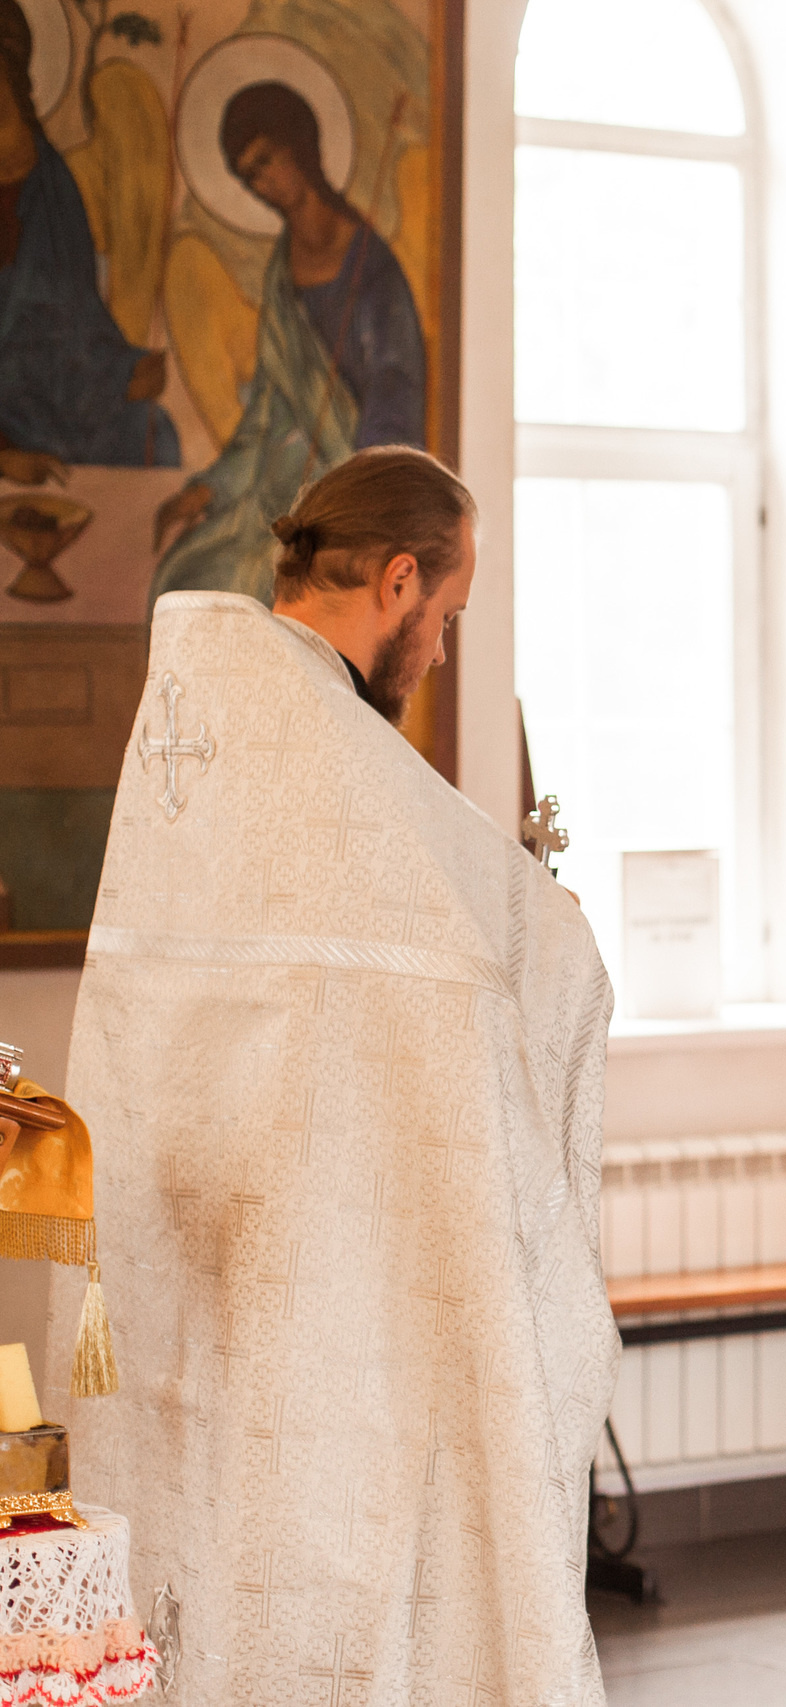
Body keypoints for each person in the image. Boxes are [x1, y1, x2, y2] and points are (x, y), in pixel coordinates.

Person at [62, 446, 618, 1704]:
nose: (438, 651)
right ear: (403, 578)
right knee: (321, 1516)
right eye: (449, 617)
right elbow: (503, 959)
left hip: (179, 1222)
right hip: (305, 1236)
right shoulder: (322, 738)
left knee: (209, 1505)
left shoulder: (205, 709)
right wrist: (548, 924)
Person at [149, 81, 428, 608]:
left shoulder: (372, 266)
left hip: (347, 486)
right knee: (186, 577)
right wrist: (207, 489)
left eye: (268, 160)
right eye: (249, 175)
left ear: (300, 144)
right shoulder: (283, 271)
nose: (264, 183)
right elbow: (268, 407)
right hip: (280, 484)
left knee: (261, 590)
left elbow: (396, 385)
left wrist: (361, 495)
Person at [0, 0, 178, 475]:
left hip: (59, 390)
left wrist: (125, 369)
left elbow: (79, 314)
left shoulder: (52, 179)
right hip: (7, 404)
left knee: (152, 433)